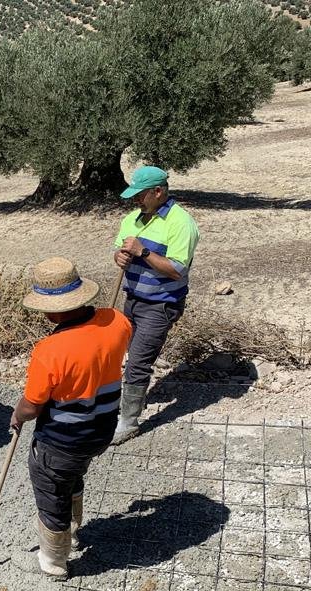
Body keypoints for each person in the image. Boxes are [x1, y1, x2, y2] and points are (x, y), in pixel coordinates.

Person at [10, 257, 132, 578]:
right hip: (100, 431)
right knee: (73, 476)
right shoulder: (118, 322)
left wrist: (17, 415)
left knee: (51, 491)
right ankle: (74, 531)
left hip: (61, 442)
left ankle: (53, 560)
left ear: (50, 310)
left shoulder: (50, 350)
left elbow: (33, 406)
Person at [111, 166, 199, 445]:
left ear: (158, 192)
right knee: (124, 354)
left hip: (160, 304)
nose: (135, 200)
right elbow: (120, 250)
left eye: (140, 195)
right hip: (132, 298)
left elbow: (177, 270)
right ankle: (125, 404)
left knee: (138, 362)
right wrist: (120, 257)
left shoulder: (181, 223)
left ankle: (128, 423)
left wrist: (143, 252)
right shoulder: (132, 220)